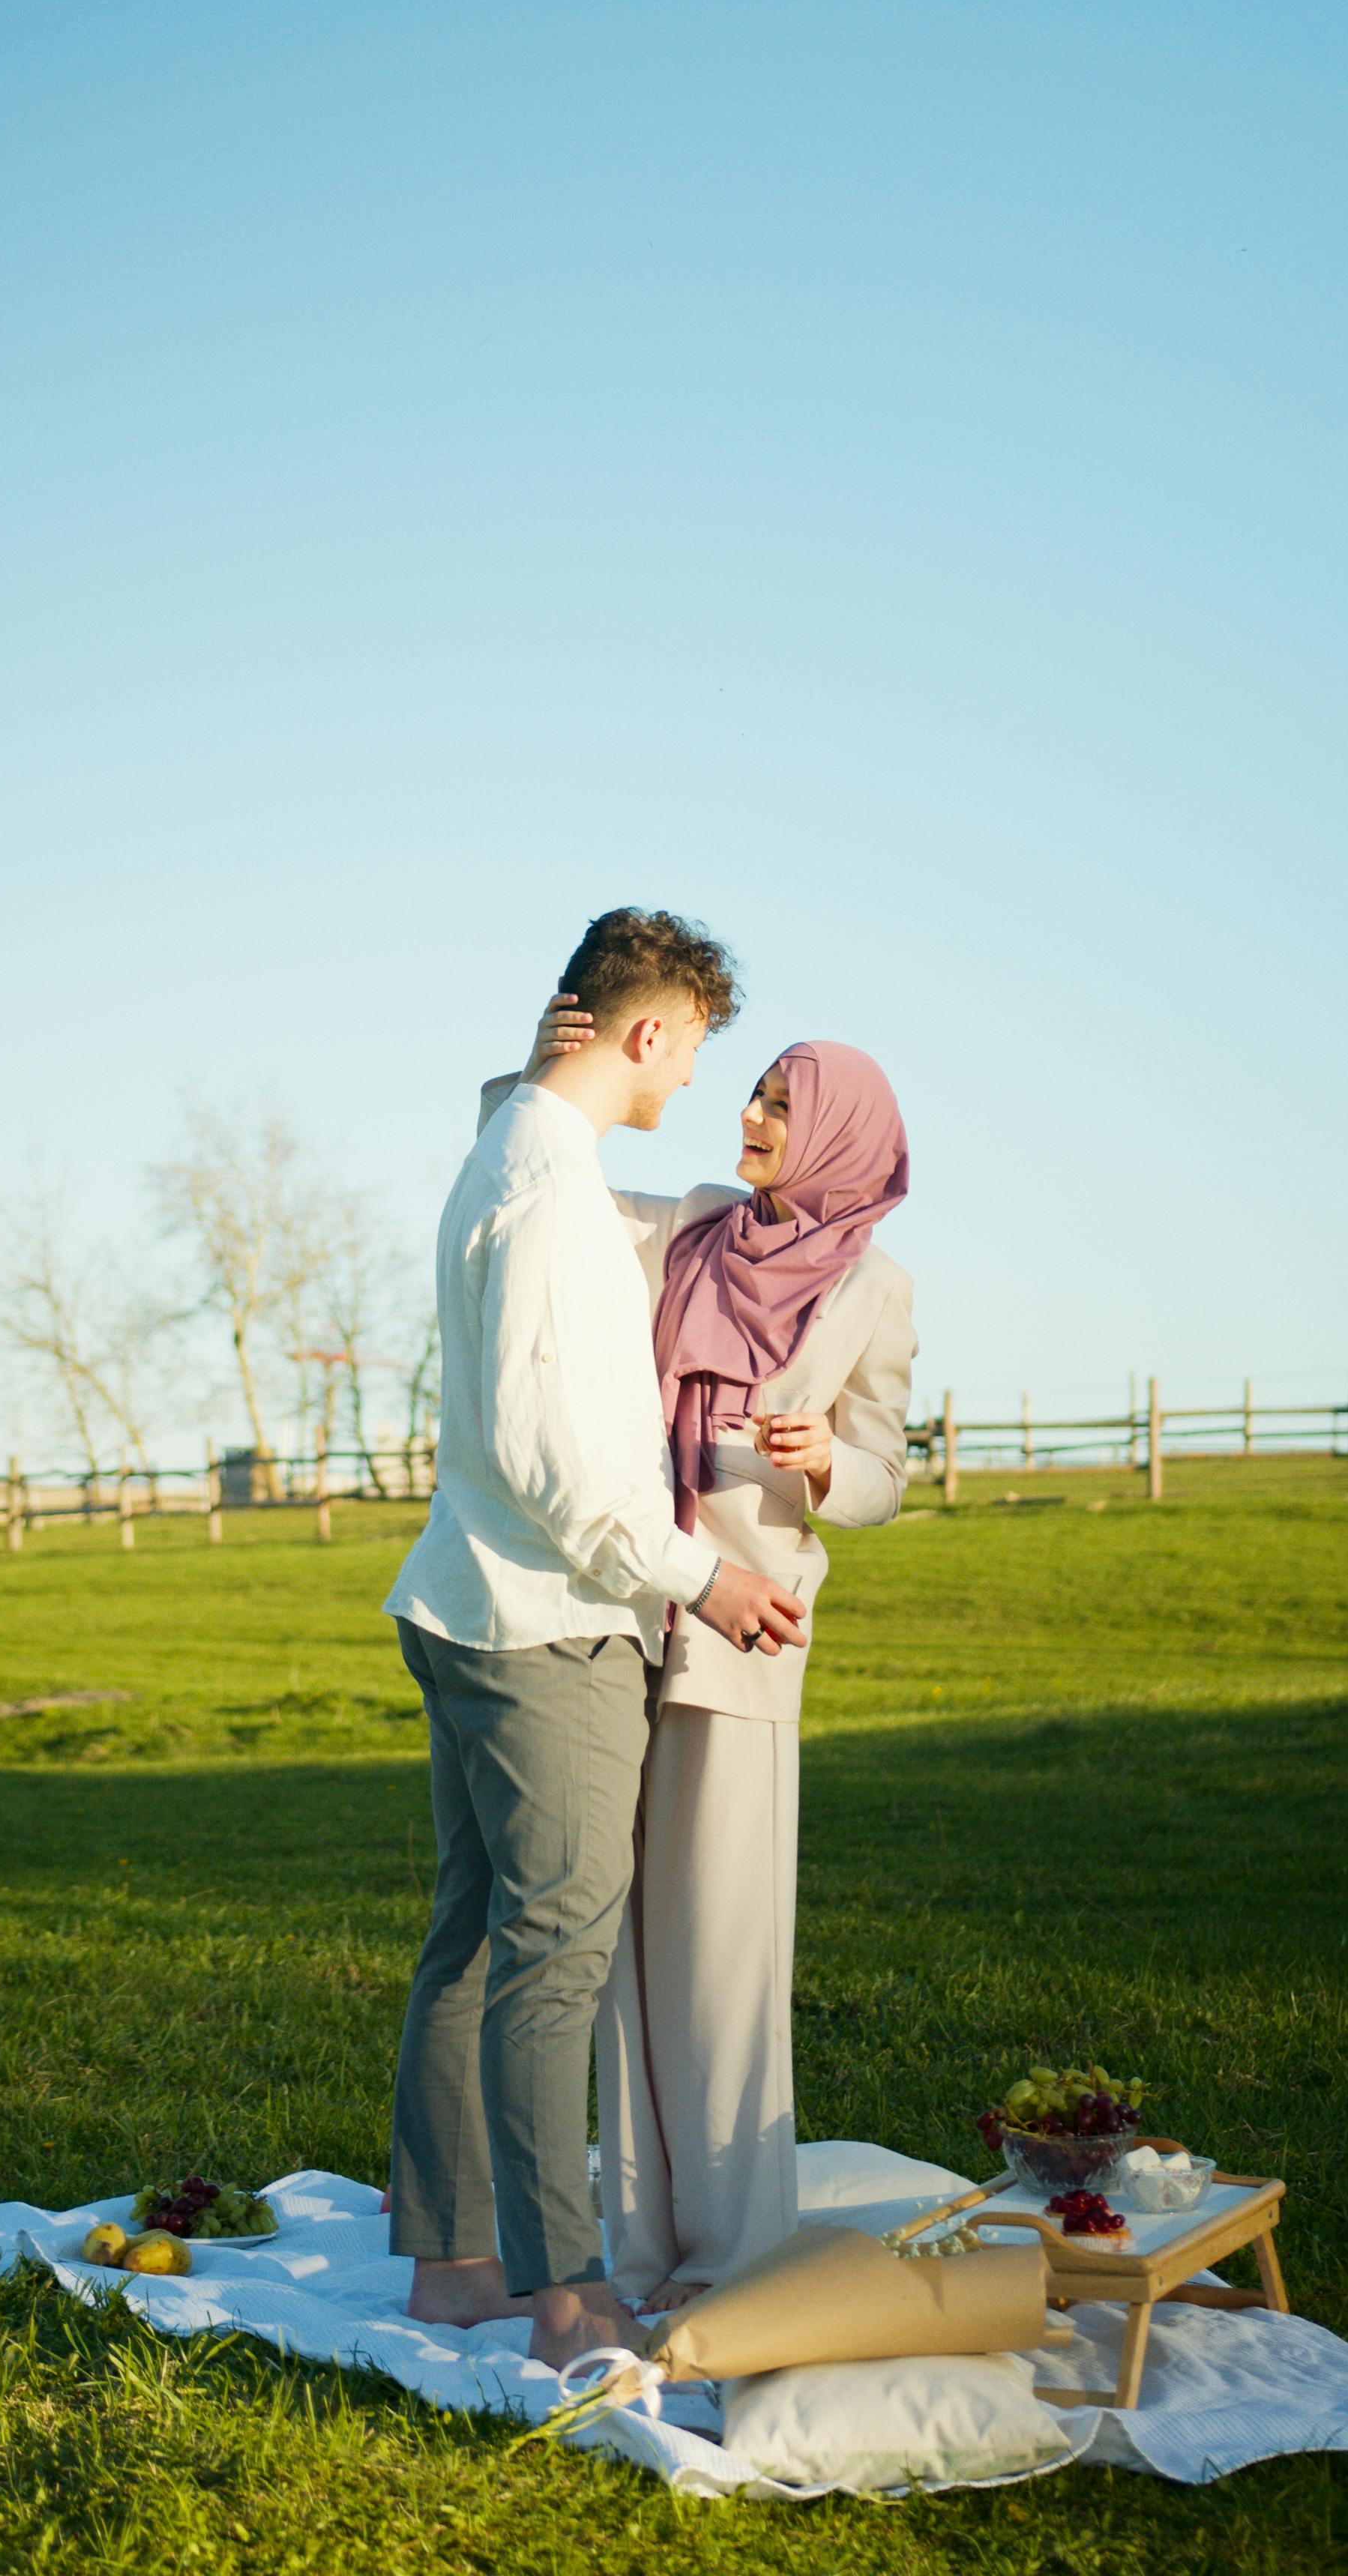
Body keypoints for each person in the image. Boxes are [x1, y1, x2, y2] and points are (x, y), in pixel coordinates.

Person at [385, 910, 808, 2373]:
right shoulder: (557, 1199)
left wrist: (522, 1072)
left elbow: (522, 1118)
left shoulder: (511, 1149)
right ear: (646, 1033)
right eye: (693, 1048)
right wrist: (704, 1579)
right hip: (543, 1628)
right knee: (553, 1951)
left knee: (471, 1942)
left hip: (462, 1602)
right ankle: (566, 2294)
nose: (693, 1080)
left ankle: (451, 2264)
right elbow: (559, 1456)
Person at [494, 1001, 915, 2308]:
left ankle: (736, 2255)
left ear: (835, 1135)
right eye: (752, 1096)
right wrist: (540, 1067)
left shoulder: (873, 1290)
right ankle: (642, 2247)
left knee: (722, 1946)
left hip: (752, 1629)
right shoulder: (683, 1223)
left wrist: (828, 1463)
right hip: (625, 1609)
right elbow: (544, 1180)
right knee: (617, 1949)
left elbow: (889, 1470)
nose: (749, 1119)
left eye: (780, 1107)